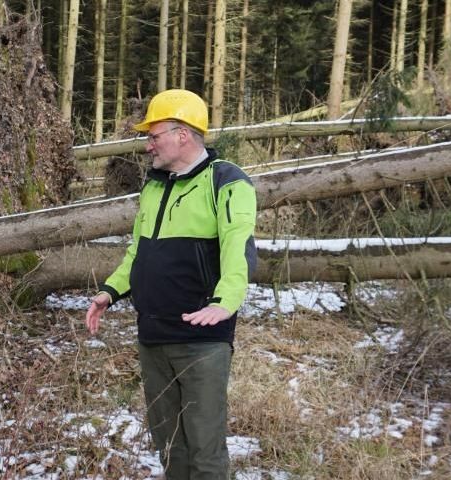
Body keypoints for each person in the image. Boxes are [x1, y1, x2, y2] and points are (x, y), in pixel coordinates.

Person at [86, 89, 257, 480]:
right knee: (168, 445)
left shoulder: (227, 182)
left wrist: (226, 302)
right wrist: (109, 292)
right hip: (152, 335)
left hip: (202, 338)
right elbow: (138, 253)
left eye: (154, 135)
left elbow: (238, 249)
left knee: (204, 449)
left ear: (182, 134)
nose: (148, 145)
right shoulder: (154, 186)